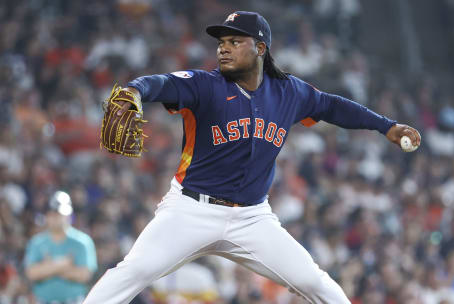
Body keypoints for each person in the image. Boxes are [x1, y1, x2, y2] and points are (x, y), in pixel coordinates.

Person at [84, 11, 421, 304]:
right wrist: (133, 90)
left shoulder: (288, 92)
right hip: (190, 210)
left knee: (313, 282)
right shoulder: (204, 85)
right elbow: (160, 83)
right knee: (132, 272)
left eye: (234, 41)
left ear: (260, 48)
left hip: (252, 219)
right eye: (221, 42)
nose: (223, 47)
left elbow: (333, 106)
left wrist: (386, 126)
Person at [24, 191, 97, 304]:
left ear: (68, 214)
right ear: (47, 216)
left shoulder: (82, 241)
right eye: (52, 214)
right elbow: (32, 273)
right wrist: (63, 265)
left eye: (59, 214)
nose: (56, 218)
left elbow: (84, 275)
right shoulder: (36, 242)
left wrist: (47, 267)